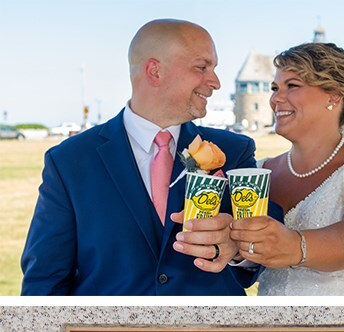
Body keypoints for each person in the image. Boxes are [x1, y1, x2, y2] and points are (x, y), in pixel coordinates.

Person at [21, 20, 259, 296]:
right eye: (202, 67)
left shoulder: (234, 151)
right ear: (154, 71)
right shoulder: (69, 161)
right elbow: (45, 279)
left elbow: (259, 251)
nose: (215, 82)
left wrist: (239, 249)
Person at [228, 42, 344, 296]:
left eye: (291, 86)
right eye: (275, 88)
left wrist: (296, 246)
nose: (275, 99)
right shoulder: (259, 171)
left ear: (334, 96)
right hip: (276, 331)